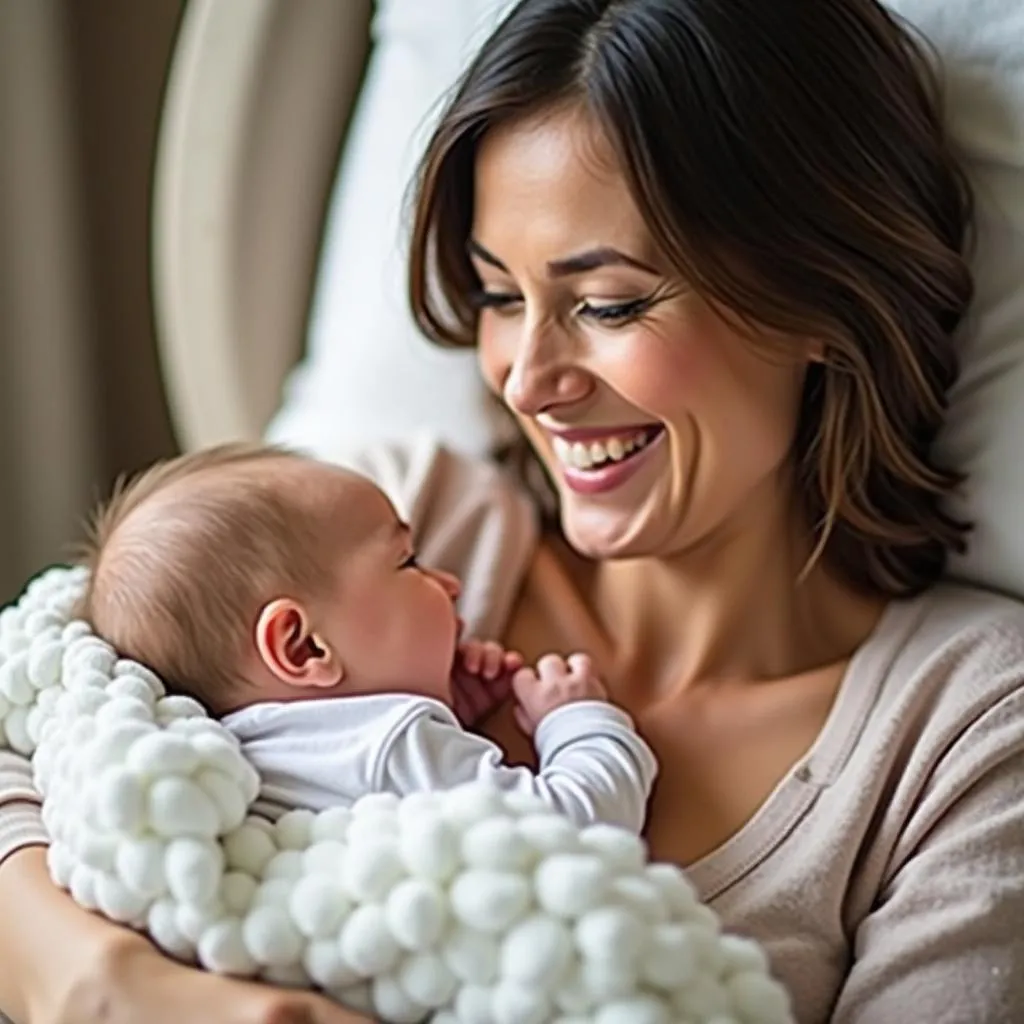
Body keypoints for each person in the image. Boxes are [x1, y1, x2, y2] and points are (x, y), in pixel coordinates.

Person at [1, 0, 1023, 1022]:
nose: (526, 380)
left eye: (609, 304)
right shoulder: (386, 519)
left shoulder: (964, 724)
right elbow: (44, 701)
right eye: (498, 297)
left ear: (817, 299)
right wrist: (107, 983)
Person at [75, 443, 656, 830]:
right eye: (408, 563)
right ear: (304, 648)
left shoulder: (237, 754)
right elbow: (575, 825)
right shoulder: (392, 743)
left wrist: (452, 709)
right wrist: (578, 721)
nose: (450, 583)